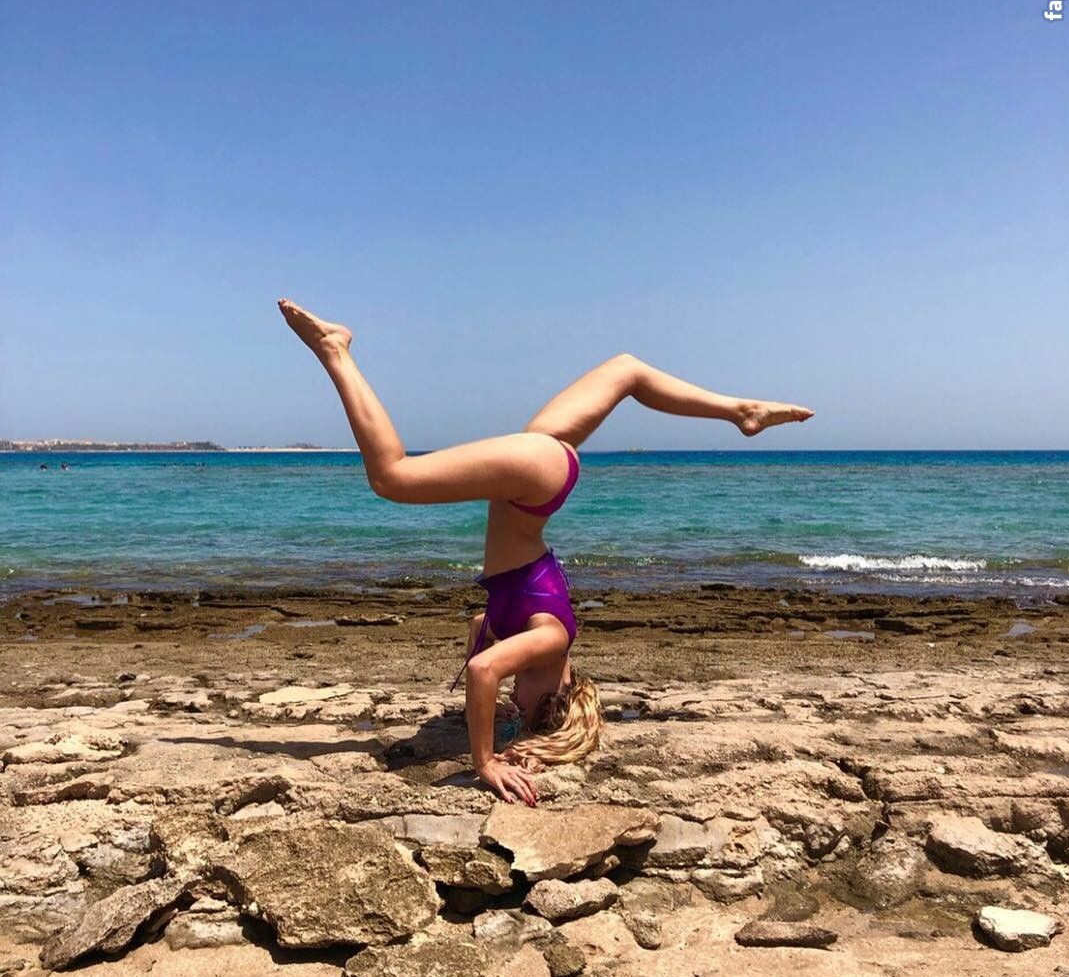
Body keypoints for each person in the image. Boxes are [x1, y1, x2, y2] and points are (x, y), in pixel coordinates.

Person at [278, 298, 813, 807]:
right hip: (534, 480)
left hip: (543, 475)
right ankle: (335, 348)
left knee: (626, 370)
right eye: (529, 710)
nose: (516, 700)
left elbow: (481, 630)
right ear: (555, 701)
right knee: (392, 477)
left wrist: (495, 708)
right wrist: (485, 760)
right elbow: (483, 671)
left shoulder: (528, 633)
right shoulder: (552, 638)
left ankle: (741, 411)